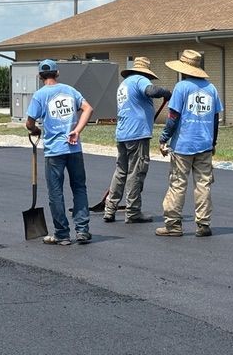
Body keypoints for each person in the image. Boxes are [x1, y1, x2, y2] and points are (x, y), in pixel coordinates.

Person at [26, 59, 94, 246]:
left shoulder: (40, 96)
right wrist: (77, 130)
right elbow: (88, 108)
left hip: (54, 151)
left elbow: (29, 123)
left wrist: (35, 130)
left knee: (56, 192)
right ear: (57, 73)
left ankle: (62, 234)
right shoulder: (70, 91)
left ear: (40, 76)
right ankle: (82, 231)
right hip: (74, 148)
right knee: (79, 187)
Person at [156, 49, 223, 237]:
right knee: (203, 184)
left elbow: (173, 117)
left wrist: (163, 138)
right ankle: (203, 224)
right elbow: (215, 119)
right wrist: (213, 142)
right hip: (205, 144)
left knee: (177, 183)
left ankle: (173, 225)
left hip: (183, 145)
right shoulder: (211, 89)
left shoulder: (181, 87)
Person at [104, 57, 171, 223]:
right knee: (136, 172)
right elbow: (151, 92)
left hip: (123, 133)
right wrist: (165, 92)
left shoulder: (124, 84)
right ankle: (133, 211)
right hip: (137, 134)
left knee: (121, 171)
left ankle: (110, 208)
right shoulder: (140, 80)